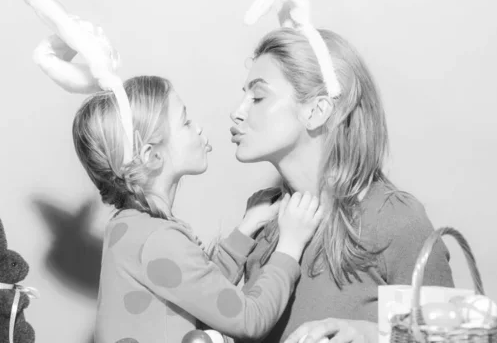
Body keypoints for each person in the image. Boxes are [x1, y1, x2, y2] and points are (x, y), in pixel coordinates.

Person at [30, 19, 325, 341]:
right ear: (152, 155)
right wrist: (291, 245)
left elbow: (199, 290)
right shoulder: (158, 239)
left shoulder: (129, 228)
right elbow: (248, 319)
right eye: (185, 122)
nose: (198, 128)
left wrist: (245, 230)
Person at [229, 28, 454, 343]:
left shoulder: (396, 220)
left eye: (257, 97)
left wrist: (374, 335)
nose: (237, 113)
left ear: (317, 111)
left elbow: (451, 337)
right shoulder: (261, 217)